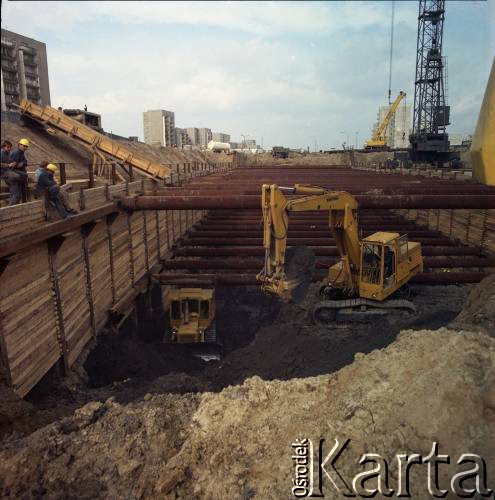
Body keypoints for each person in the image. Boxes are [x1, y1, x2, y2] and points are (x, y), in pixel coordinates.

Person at [5, 138, 29, 205]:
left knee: (15, 195)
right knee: (16, 196)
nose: (25, 147)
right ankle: (9, 210)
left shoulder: (21, 153)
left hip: (16, 175)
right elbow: (12, 165)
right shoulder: (16, 152)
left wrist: (22, 163)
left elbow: (25, 162)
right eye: (23, 145)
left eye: (26, 146)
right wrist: (17, 165)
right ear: (19, 145)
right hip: (13, 175)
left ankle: (12, 208)